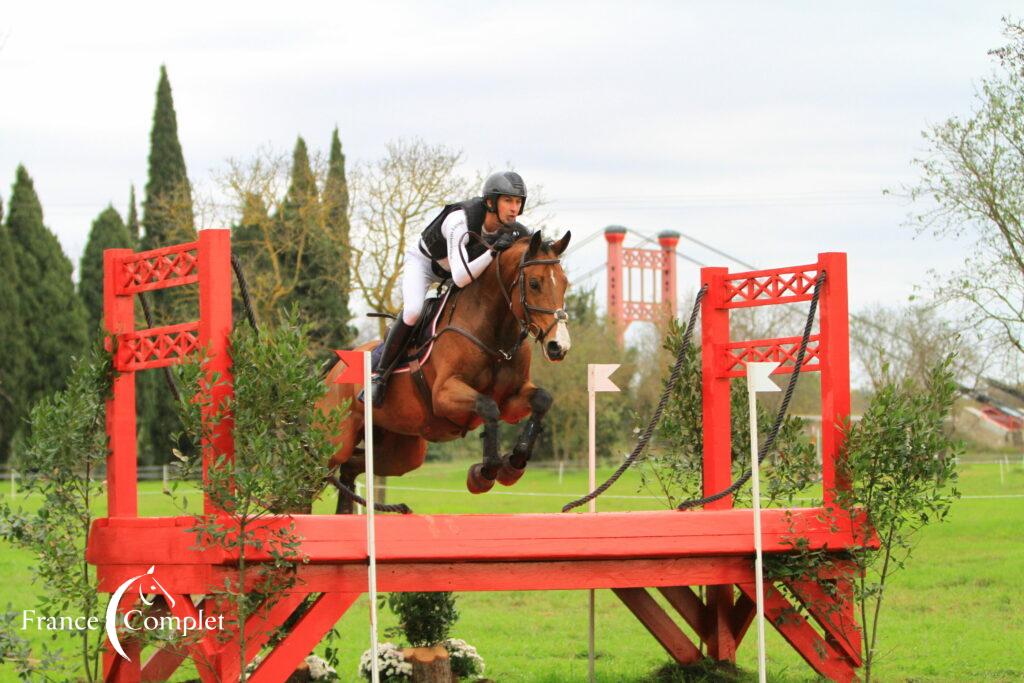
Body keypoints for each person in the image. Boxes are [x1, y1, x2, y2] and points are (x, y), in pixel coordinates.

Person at [365, 171, 530, 407]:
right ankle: (379, 376)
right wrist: (492, 252)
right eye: (508, 201)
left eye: (518, 202)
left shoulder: (516, 231)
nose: (514, 208)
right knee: (413, 311)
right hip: (425, 265)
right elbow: (461, 277)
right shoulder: (460, 221)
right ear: (491, 202)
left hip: (455, 273)